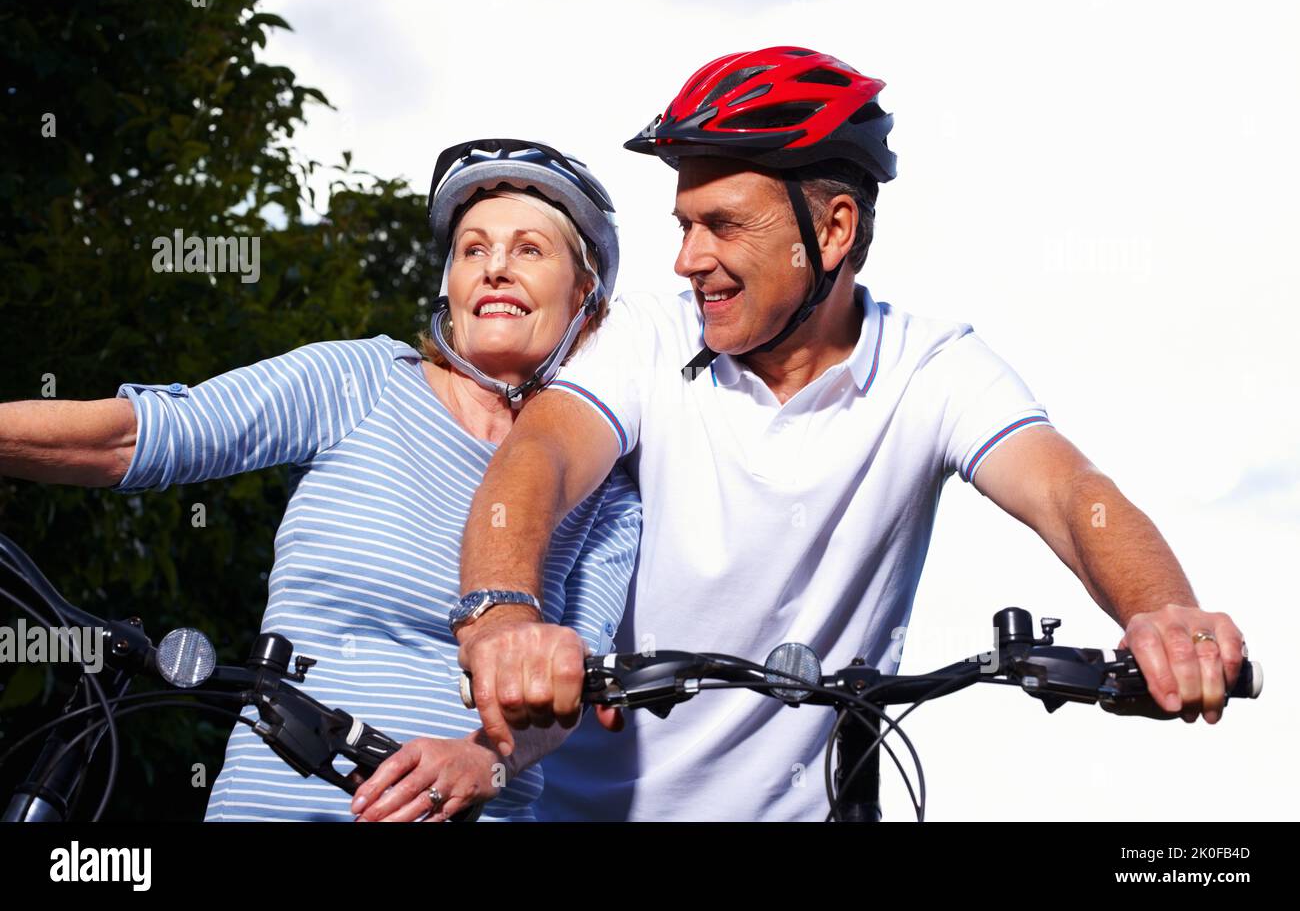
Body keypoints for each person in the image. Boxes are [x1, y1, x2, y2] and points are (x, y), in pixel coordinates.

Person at [448, 48, 1250, 821]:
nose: (688, 259)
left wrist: (1165, 612)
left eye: (722, 225)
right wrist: (503, 616)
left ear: (831, 231)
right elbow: (540, 456)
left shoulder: (933, 368)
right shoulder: (648, 337)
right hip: (585, 815)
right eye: (684, 225)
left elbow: (1073, 495)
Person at [0, 139, 640, 822]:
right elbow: (139, 433)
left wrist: (489, 758)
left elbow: (571, 680)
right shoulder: (360, 381)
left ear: (587, 301)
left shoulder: (607, 490)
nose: (495, 270)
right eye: (473, 249)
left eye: (530, 251)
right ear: (448, 284)